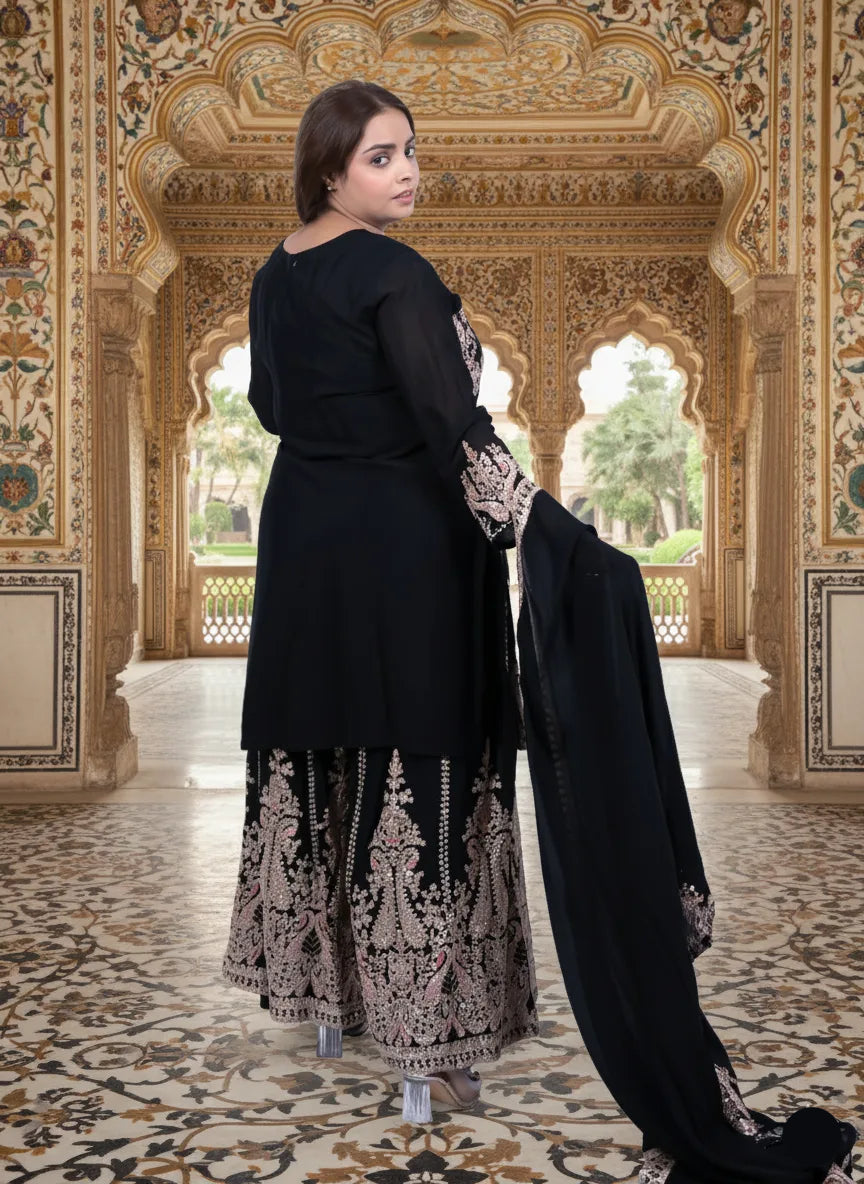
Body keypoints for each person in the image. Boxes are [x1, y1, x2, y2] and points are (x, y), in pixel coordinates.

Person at [222, 79, 858, 1181]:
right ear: (330, 169)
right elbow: (452, 421)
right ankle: (429, 1044)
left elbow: (273, 408)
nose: (408, 170)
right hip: (408, 558)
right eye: (382, 157)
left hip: (304, 550)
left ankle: (330, 1005)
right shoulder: (396, 273)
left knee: (321, 762)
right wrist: (554, 533)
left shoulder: (274, 275)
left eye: (411, 151)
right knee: (418, 766)